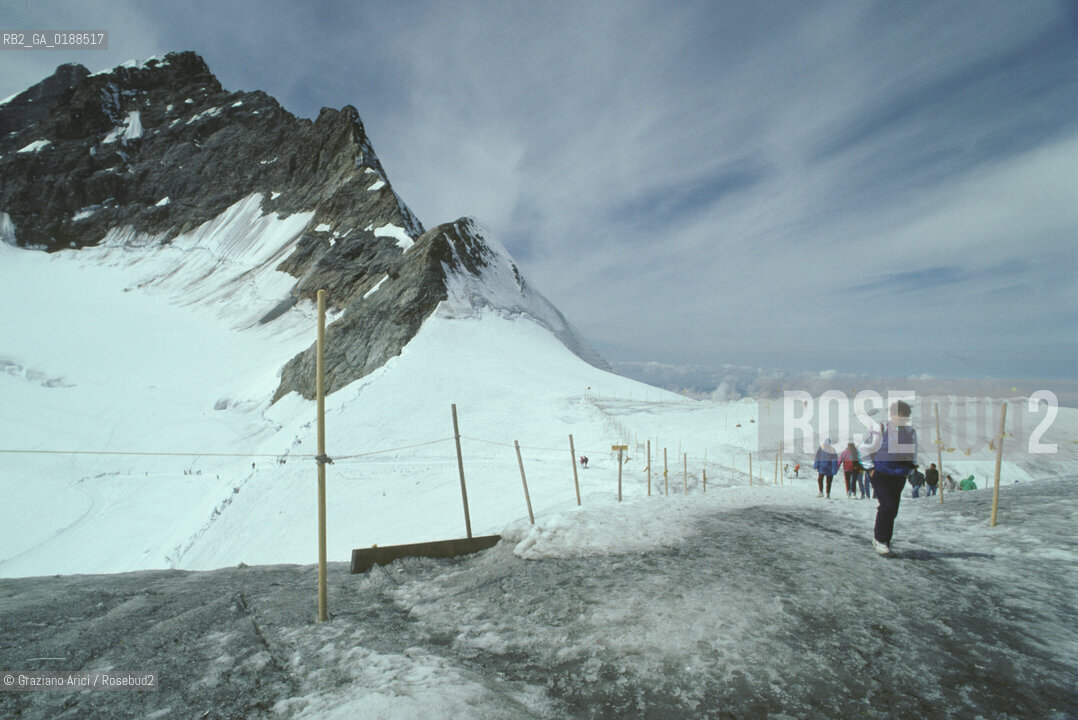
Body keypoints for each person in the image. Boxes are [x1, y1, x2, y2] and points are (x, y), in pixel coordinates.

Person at [861, 400, 917, 555]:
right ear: (892, 415)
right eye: (902, 415)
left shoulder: (910, 432)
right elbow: (863, 449)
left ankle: (884, 540)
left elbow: (913, 451)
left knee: (892, 509)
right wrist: (870, 468)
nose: (905, 419)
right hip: (881, 473)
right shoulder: (881, 429)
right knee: (888, 504)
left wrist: (909, 469)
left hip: (899, 475)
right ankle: (880, 540)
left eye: (907, 416)